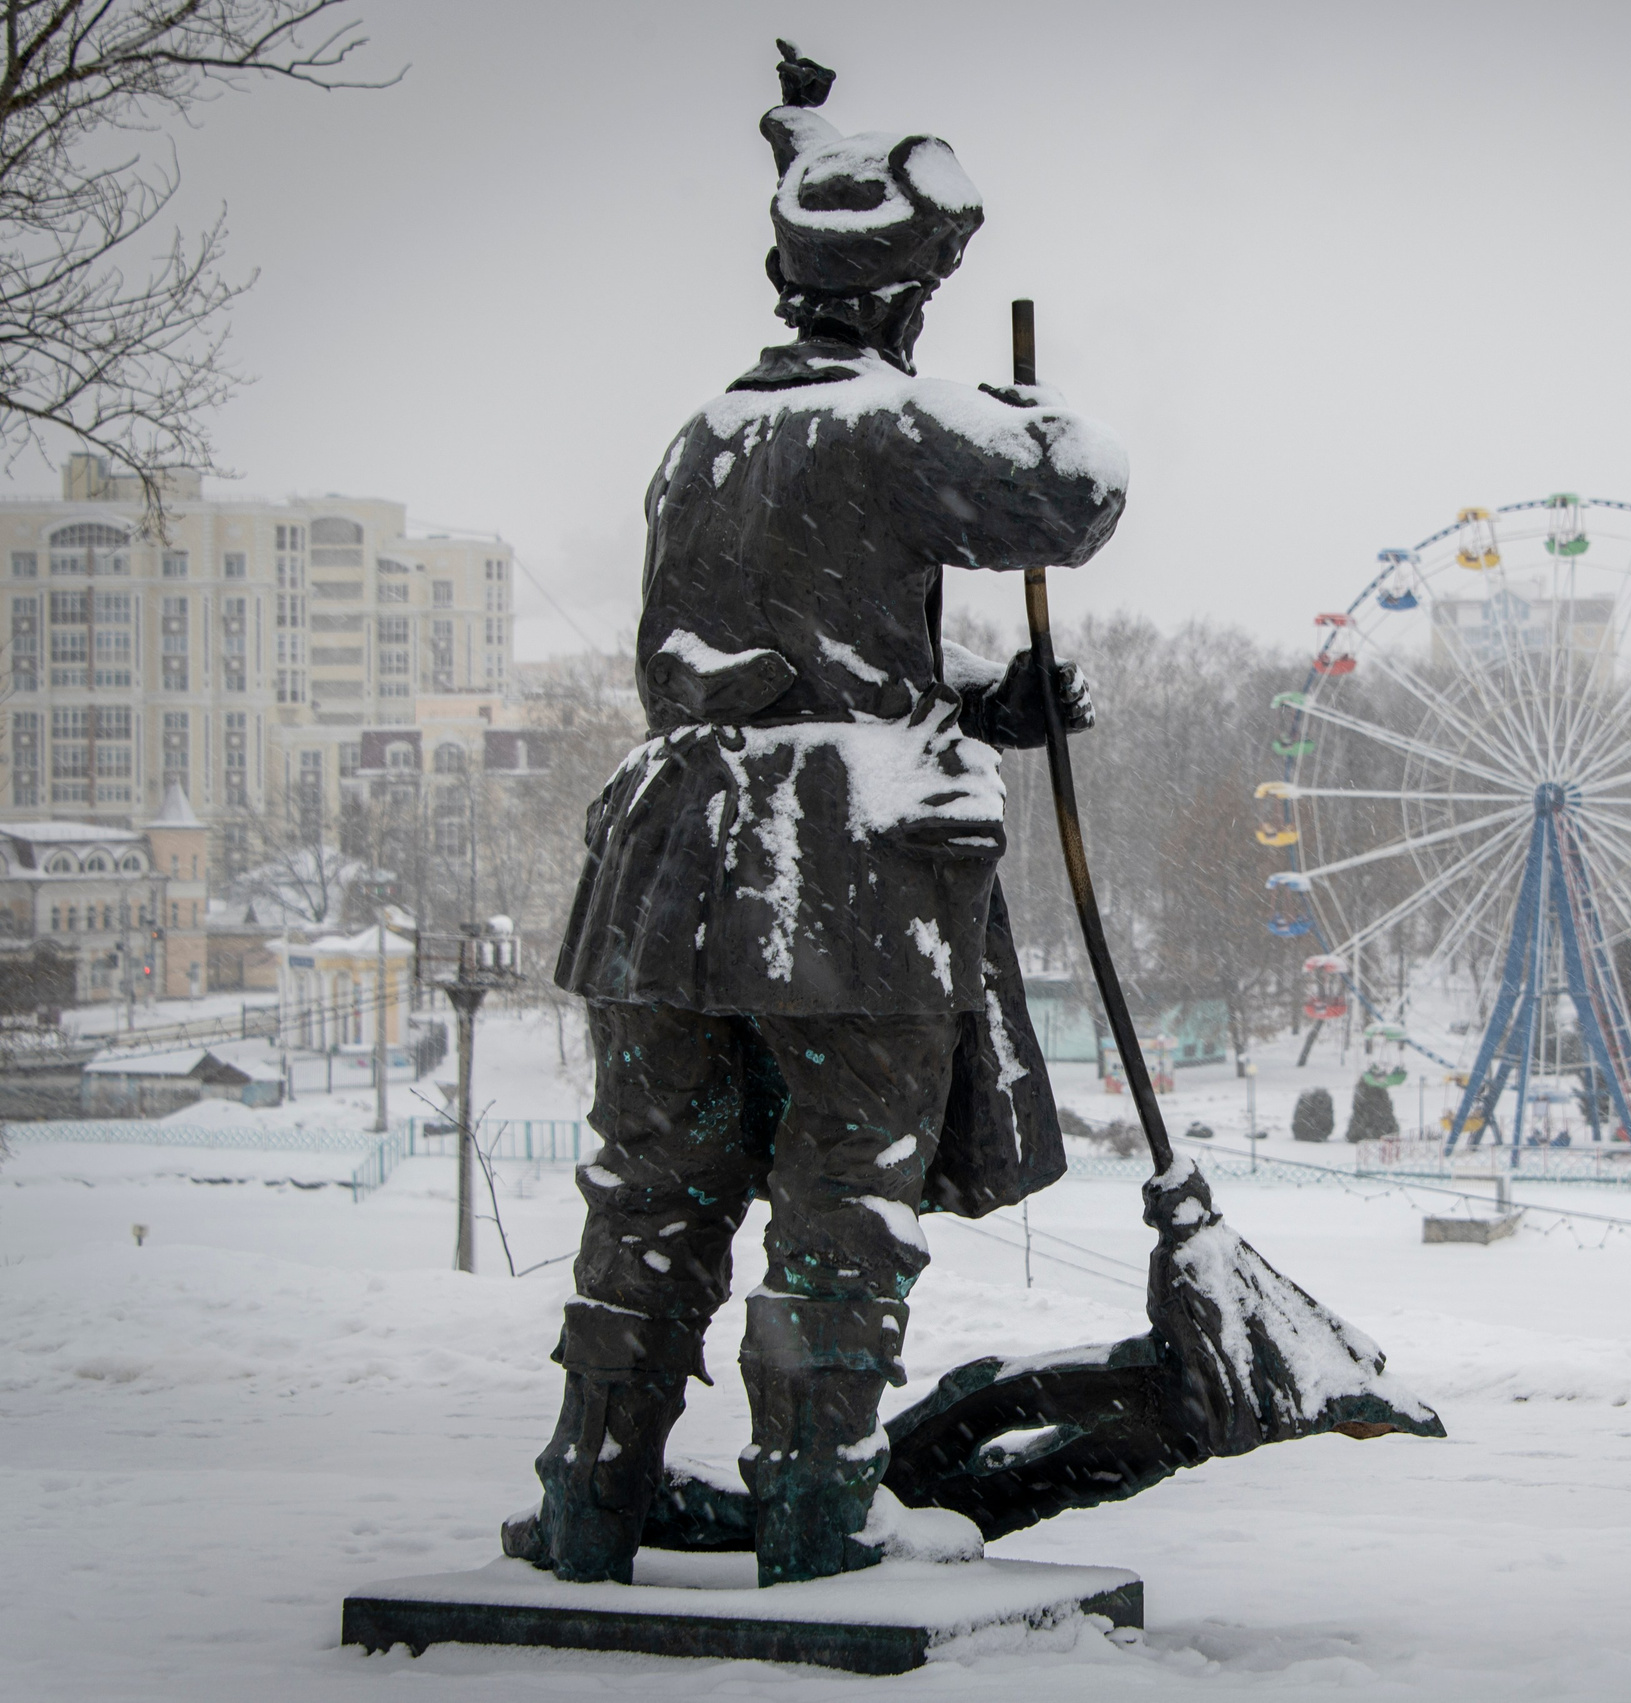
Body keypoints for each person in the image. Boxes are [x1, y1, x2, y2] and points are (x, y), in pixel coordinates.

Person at [507, 40, 1127, 1588]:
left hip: (670, 868)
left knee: (652, 1193)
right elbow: (1078, 501)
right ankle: (814, 1513)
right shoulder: (894, 426)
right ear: (908, 297)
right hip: (840, 882)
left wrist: (980, 703)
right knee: (844, 1203)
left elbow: (791, 652)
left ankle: (590, 1502)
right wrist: (1026, 419)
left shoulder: (703, 436)